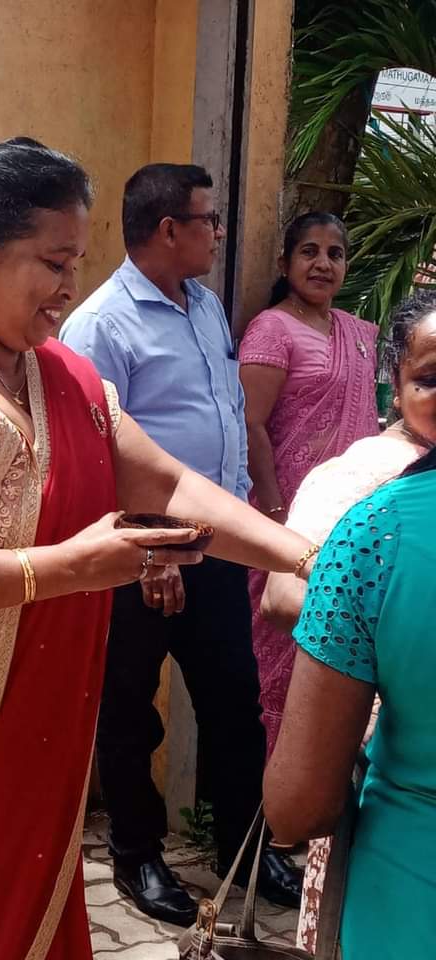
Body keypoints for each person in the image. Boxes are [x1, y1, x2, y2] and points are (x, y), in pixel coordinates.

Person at [0, 140, 314, 960]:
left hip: (26, 741)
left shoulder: (59, 374)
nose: (71, 286)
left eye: (78, 260)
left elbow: (167, 484)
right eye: (52, 262)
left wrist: (303, 557)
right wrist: (64, 569)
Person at [60, 162, 303, 928]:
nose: (219, 234)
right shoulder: (100, 325)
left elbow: (220, 420)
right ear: (169, 229)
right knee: (131, 711)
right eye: (210, 220)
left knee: (236, 704)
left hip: (216, 553)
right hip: (136, 562)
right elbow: (98, 458)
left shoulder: (202, 306)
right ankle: (136, 856)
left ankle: (245, 847)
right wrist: (153, 554)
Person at [259, 288, 436, 953]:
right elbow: (281, 595)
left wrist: (369, 634)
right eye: (430, 379)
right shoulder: (356, 481)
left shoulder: (387, 524)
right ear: (393, 382)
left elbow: (297, 803)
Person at [239, 212, 379, 754]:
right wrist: (276, 518)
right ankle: (279, 812)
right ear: (285, 263)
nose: (323, 263)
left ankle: (327, 809)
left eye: (335, 253)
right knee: (282, 656)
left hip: (353, 520)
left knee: (343, 655)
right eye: (309, 252)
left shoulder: (359, 333)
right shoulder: (272, 329)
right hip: (288, 520)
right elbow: (250, 423)